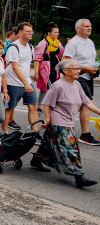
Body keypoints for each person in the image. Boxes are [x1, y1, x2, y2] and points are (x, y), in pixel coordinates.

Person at [32, 59, 100, 188]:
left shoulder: (77, 84)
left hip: (68, 121)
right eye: (75, 69)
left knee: (47, 143)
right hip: (59, 121)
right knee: (70, 148)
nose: (78, 71)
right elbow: (45, 103)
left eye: (79, 69)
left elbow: (86, 101)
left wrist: (99, 111)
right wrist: (47, 119)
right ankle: (79, 177)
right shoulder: (58, 85)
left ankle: (36, 160)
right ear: (65, 70)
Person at [61, 18, 99, 146]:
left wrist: (94, 71)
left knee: (81, 105)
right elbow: (65, 61)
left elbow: (91, 61)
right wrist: (85, 68)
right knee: (88, 103)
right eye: (86, 26)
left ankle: (55, 123)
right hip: (77, 77)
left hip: (88, 77)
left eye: (90, 26)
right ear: (78, 28)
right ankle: (86, 134)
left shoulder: (90, 42)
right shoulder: (73, 43)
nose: (89, 28)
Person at [2, 22, 38, 134]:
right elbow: (15, 68)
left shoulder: (31, 47)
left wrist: (31, 77)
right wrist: (26, 84)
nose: (31, 33)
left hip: (26, 81)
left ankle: (34, 133)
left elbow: (28, 64)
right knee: (9, 109)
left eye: (32, 31)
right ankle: (4, 133)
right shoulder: (14, 47)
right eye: (28, 31)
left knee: (34, 107)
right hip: (13, 83)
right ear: (20, 33)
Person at [34, 22, 64, 111]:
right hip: (46, 69)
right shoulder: (43, 43)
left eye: (58, 32)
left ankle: (39, 107)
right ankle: (53, 107)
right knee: (53, 87)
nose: (57, 34)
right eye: (55, 32)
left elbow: (62, 53)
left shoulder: (57, 42)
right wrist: (36, 73)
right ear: (49, 33)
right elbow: (37, 58)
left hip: (54, 68)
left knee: (46, 88)